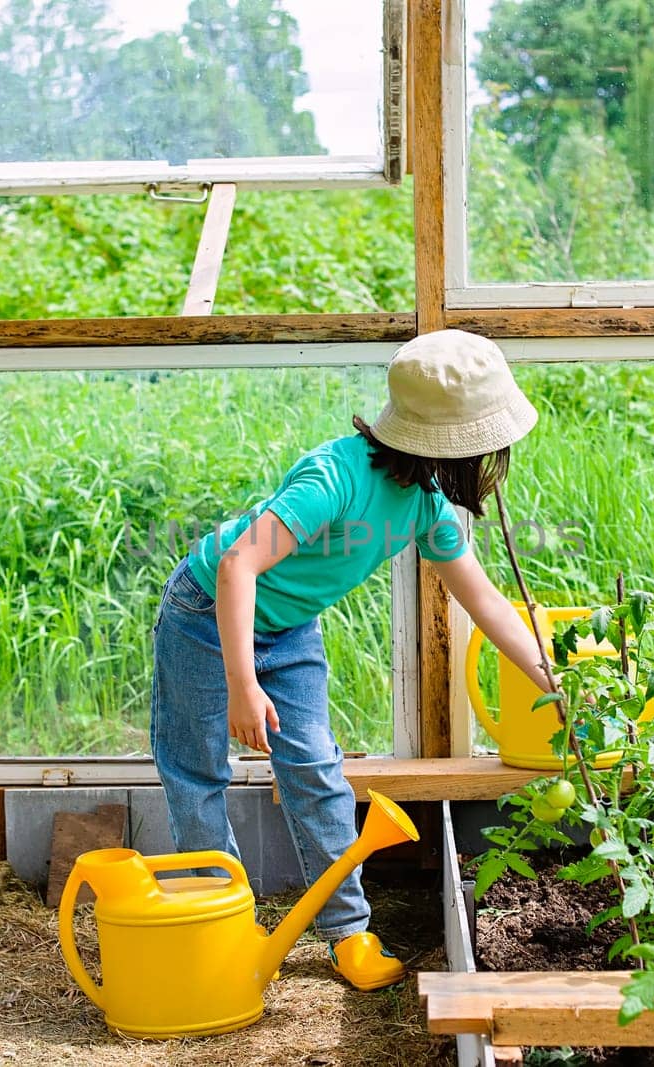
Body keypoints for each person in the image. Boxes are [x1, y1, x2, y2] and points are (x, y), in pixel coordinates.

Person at [150, 329, 555, 991]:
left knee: (317, 771)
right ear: (450, 445)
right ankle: (214, 922)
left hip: (286, 629)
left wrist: (552, 680)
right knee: (198, 773)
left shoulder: (426, 504)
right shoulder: (334, 477)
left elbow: (484, 600)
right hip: (206, 615)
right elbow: (237, 563)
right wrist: (242, 683)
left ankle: (347, 933)